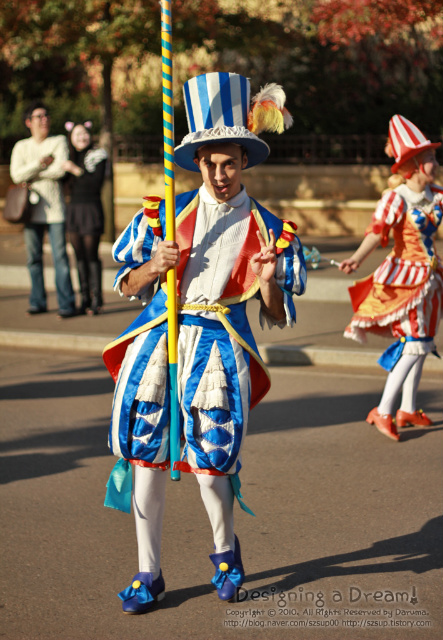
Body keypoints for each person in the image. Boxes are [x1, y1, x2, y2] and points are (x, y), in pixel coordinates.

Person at [102, 72, 307, 614]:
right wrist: (154, 264)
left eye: (230, 163)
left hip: (218, 345)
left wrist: (266, 282)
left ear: (244, 161)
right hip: (159, 337)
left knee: (213, 463)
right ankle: (149, 571)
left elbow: (278, 316)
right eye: (210, 163)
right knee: (146, 457)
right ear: (197, 163)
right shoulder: (163, 215)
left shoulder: (270, 230)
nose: (220, 174)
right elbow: (122, 283)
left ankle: (224, 554)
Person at [340, 115, 442, 442]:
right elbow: (376, 233)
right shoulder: (396, 198)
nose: (436, 163)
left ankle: (408, 408)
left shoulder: (436, 194)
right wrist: (356, 259)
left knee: (422, 345)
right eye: (430, 159)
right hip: (405, 279)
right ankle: (383, 410)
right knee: (414, 346)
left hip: (431, 278)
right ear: (413, 164)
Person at [10, 101, 76, 318]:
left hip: (55, 211)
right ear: (29, 122)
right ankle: (37, 301)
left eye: (46, 115)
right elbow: (16, 175)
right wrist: (41, 163)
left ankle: (67, 304)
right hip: (30, 211)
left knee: (60, 258)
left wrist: (33, 172)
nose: (44, 119)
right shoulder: (21, 146)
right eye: (39, 116)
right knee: (33, 258)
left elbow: (60, 170)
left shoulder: (58, 141)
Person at [63, 121, 107, 314]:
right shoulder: (67, 157)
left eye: (85, 134)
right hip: (73, 210)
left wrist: (75, 170)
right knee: (79, 256)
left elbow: (95, 183)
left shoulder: (98, 156)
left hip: (91, 209)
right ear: (71, 138)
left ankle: (97, 298)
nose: (82, 137)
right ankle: (84, 299)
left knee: (91, 256)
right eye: (77, 134)